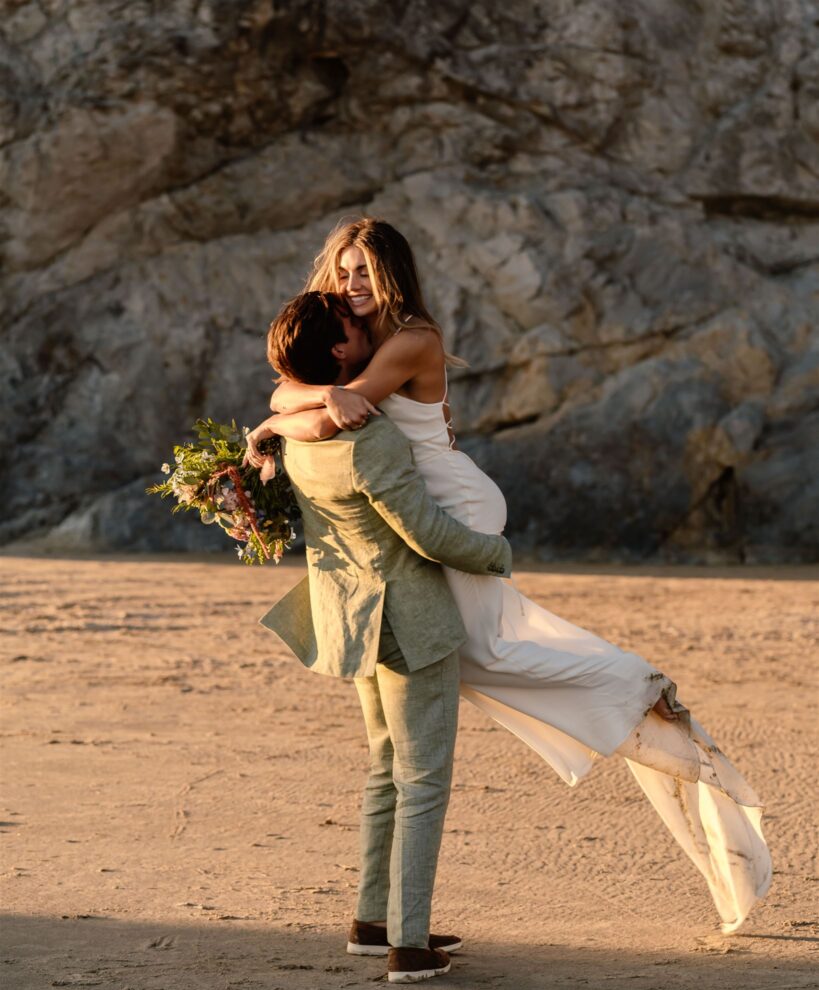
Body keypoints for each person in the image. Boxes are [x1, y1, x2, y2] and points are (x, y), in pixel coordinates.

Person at [246, 219, 771, 935]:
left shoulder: (411, 340)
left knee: (486, 656)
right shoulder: (344, 351)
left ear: (392, 274)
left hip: (450, 509)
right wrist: (289, 409)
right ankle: (626, 696)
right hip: (420, 521)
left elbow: (342, 406)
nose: (350, 285)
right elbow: (304, 399)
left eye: (364, 272)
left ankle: (631, 693)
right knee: (474, 668)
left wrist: (291, 412)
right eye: (342, 272)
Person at [256, 290, 513, 983]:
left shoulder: (299, 437)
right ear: (339, 353)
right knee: (422, 779)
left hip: (350, 620)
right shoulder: (369, 437)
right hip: (408, 622)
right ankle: (407, 944)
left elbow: (283, 409)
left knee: (383, 771)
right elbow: (424, 534)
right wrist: (497, 554)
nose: (361, 321)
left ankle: (373, 922)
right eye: (349, 324)